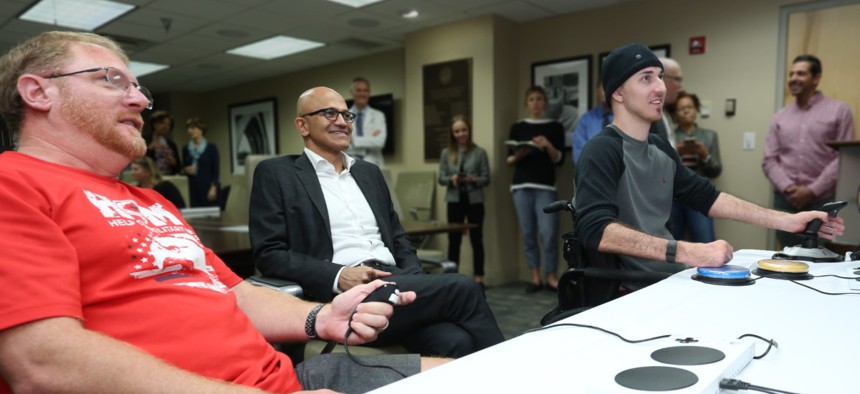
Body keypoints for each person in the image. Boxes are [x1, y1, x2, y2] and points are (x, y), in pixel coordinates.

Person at [0, 30, 446, 394]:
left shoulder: (152, 202)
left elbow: (234, 292)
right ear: (38, 92)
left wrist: (319, 318)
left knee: (476, 376)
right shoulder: (12, 183)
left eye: (138, 87)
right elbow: (41, 363)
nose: (139, 100)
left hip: (287, 379)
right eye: (111, 81)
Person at [249, 87, 504, 358]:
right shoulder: (277, 173)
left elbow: (398, 237)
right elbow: (270, 253)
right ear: (302, 125)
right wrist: (339, 276)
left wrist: (414, 278)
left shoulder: (369, 173)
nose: (342, 121)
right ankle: (519, 376)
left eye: (346, 115)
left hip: (397, 281)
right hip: (343, 296)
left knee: (455, 342)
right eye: (329, 113)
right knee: (463, 287)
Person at [575, 43, 844, 291]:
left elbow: (708, 197)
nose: (660, 87)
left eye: (659, 76)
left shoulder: (661, 148)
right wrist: (687, 251)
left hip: (670, 278)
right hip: (630, 290)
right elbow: (595, 230)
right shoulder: (602, 150)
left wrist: (789, 221)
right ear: (618, 93)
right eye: (646, 78)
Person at [762, 54, 855, 248]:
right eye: (791, 73)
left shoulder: (839, 111)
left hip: (823, 201)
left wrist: (812, 190)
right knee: (789, 257)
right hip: (785, 202)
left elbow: (844, 159)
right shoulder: (780, 116)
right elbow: (770, 159)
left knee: (821, 260)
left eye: (801, 73)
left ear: (816, 77)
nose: (793, 78)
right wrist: (789, 187)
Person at [507, 86, 565, 293]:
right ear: (526, 103)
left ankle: (551, 276)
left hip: (546, 187)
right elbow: (510, 159)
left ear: (545, 102)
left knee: (548, 233)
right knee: (528, 233)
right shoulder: (518, 127)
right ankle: (535, 278)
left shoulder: (555, 127)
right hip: (521, 186)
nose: (535, 103)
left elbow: (558, 159)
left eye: (539, 99)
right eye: (531, 99)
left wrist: (547, 144)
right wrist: (522, 153)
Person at [437, 115, 490, 287]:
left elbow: (486, 178)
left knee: (477, 239)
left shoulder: (479, 152)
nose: (461, 134)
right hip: (454, 200)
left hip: (474, 200)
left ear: (469, 131)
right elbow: (441, 178)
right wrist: (451, 179)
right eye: (457, 131)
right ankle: (453, 278)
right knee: (454, 240)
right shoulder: (446, 153)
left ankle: (479, 277)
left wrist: (472, 179)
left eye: (463, 130)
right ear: (452, 133)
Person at [671, 91, 722, 243]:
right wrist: (675, 152)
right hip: (672, 197)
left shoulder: (710, 136)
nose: (686, 111)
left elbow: (716, 170)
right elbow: (659, 170)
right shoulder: (669, 136)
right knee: (672, 246)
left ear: (697, 110)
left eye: (690, 107)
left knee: (707, 243)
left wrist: (705, 155)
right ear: (675, 114)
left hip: (699, 195)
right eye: (681, 108)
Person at [345, 77, 386, 167]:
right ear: (352, 92)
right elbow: (344, 143)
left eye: (365, 90)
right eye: (358, 90)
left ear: (369, 93)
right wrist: (370, 139)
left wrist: (353, 140)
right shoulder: (344, 116)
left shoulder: (378, 115)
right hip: (350, 163)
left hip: (373, 162)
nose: (362, 93)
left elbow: (379, 142)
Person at [572, 80, 613, 165]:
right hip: (592, 174)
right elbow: (578, 156)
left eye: (611, 87)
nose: (607, 90)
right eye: (604, 87)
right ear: (597, 91)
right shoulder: (585, 120)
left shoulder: (627, 118)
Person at [182, 117, 220, 207]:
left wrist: (213, 188)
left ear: (201, 130)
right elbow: (182, 168)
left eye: (193, 128)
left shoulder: (211, 148)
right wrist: (185, 170)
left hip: (208, 187)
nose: (189, 131)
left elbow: (216, 170)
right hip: (192, 188)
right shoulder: (186, 149)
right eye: (188, 128)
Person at [649, 57, 683, 148]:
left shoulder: (665, 112)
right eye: (678, 80)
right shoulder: (647, 115)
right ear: (661, 77)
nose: (680, 86)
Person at [145, 110, 181, 175]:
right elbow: (137, 161)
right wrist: (150, 149)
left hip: (168, 178)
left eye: (168, 125)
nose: (165, 126)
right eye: (162, 123)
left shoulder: (171, 144)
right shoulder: (144, 140)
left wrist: (173, 163)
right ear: (154, 124)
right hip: (149, 178)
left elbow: (179, 168)